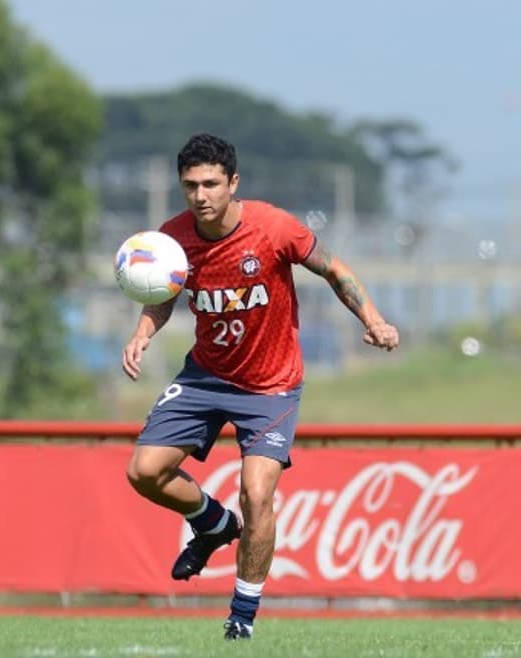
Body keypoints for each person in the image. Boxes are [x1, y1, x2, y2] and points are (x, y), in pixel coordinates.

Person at [122, 133, 399, 642]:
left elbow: (335, 270)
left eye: (211, 183)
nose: (201, 195)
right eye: (190, 185)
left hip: (270, 386)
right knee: (144, 472)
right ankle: (212, 524)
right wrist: (143, 331)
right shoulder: (172, 239)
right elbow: (161, 294)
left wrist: (374, 319)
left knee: (257, 494)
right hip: (204, 376)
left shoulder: (272, 228)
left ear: (233, 183)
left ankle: (241, 618)